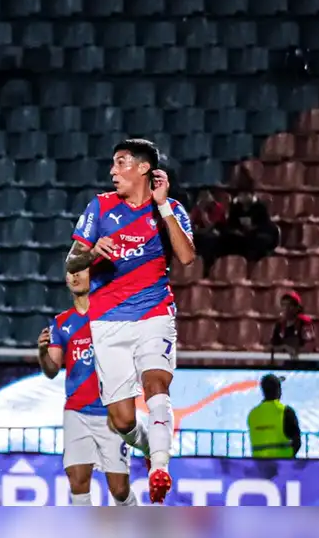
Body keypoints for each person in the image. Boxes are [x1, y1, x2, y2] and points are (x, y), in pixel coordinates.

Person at [65, 138, 196, 504]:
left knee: (156, 384)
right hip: (108, 322)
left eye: (120, 163)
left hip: (155, 312)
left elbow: (186, 257)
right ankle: (150, 444)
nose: (112, 171)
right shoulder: (101, 207)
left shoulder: (168, 209)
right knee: (121, 422)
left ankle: (159, 467)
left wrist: (164, 207)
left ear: (143, 168)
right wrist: (91, 252)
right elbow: (71, 262)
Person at [37, 268, 137, 506]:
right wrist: (42, 351)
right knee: (78, 481)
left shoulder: (112, 316)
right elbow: (52, 369)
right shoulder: (61, 323)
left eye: (81, 272)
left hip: (110, 411)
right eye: (70, 273)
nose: (74, 277)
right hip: (76, 411)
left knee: (119, 488)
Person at [247, 374, 301, 459]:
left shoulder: (252, 414)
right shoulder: (285, 411)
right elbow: (297, 442)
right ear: (279, 390)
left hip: (259, 468)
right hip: (283, 467)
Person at [269, 291, 314, 360]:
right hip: (285, 366)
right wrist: (284, 348)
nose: (286, 308)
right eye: (283, 305)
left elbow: (309, 347)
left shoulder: (304, 324)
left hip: (303, 365)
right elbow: (272, 346)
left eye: (290, 305)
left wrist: (295, 351)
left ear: (297, 308)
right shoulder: (279, 325)